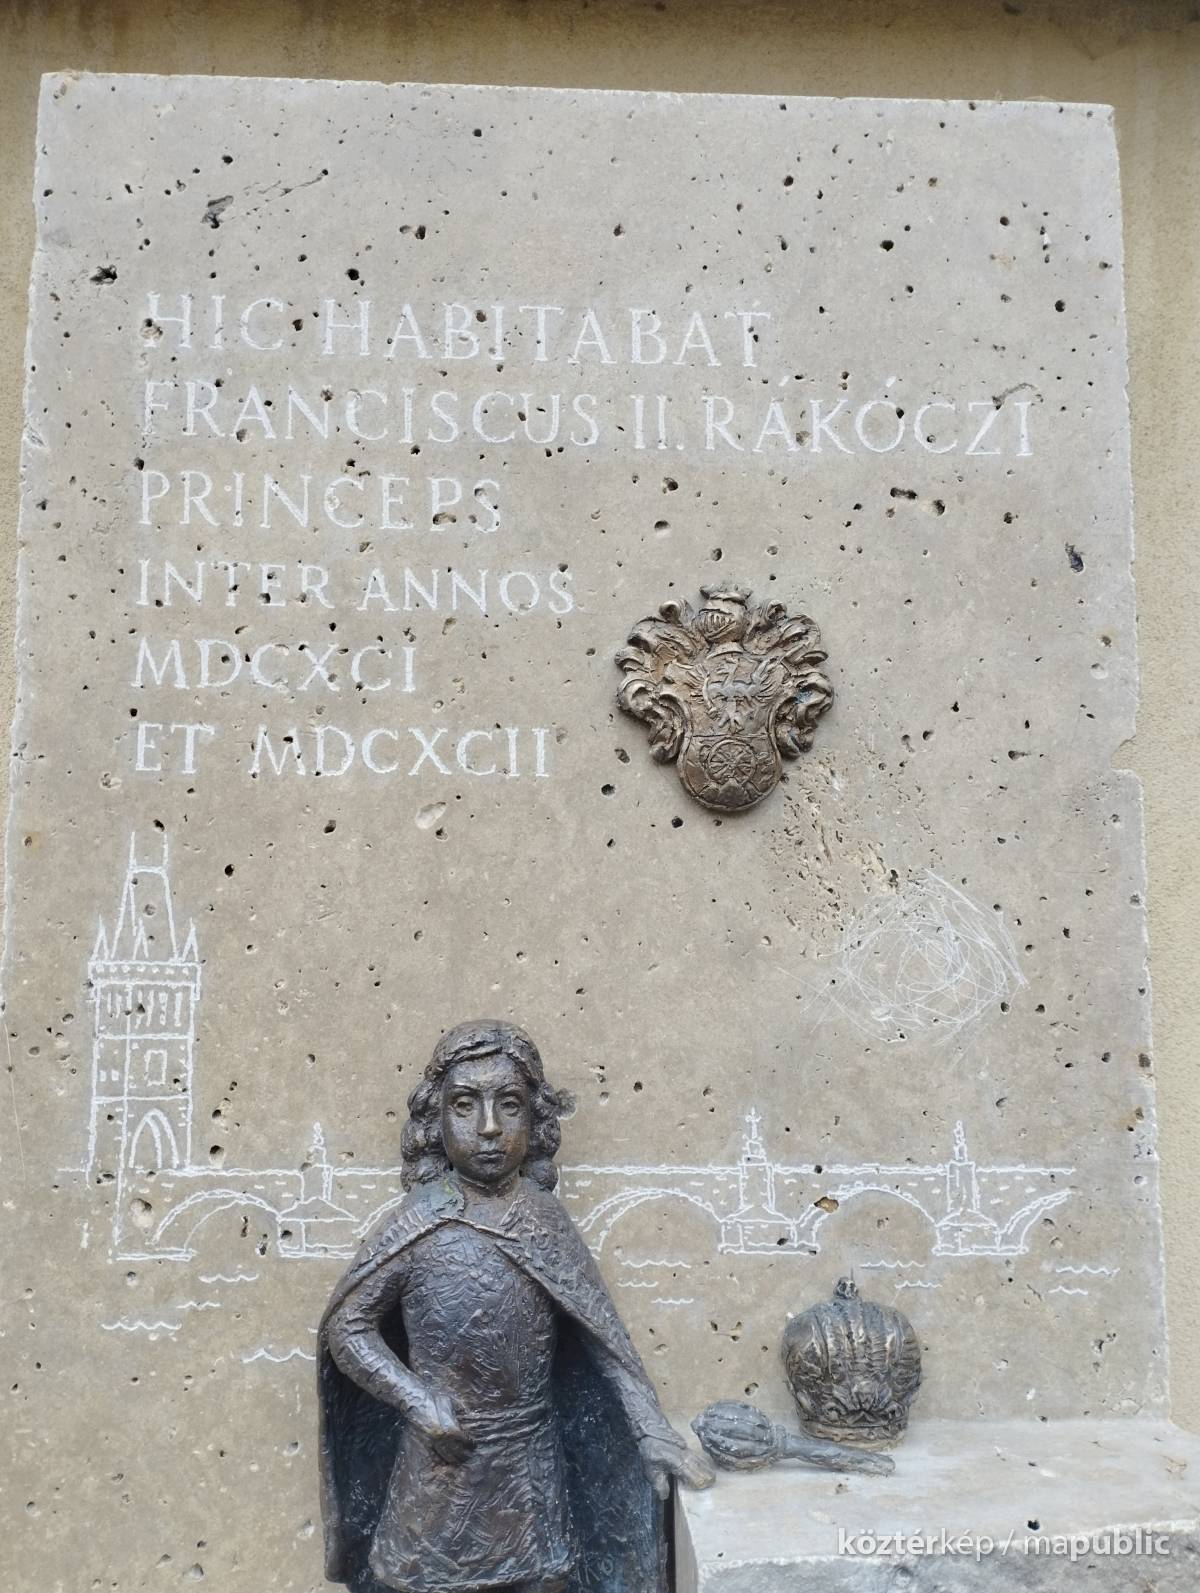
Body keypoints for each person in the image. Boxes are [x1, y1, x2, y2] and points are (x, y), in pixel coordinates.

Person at [318, 1019, 712, 1593]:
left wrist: (651, 1431)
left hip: (530, 1468)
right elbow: (348, 1328)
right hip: (441, 1464)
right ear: (435, 1121)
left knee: (543, 1581)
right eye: (464, 1106)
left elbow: (604, 1341)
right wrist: (415, 1399)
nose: (488, 1128)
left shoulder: (543, 1221)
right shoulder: (418, 1223)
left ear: (535, 1119)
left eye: (509, 1105)